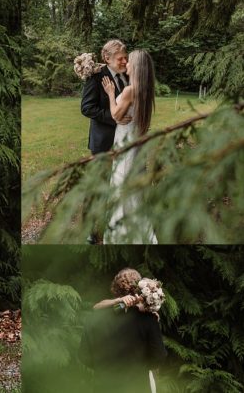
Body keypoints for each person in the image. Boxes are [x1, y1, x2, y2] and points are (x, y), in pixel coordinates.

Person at [100, 50, 157, 244]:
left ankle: (121, 233)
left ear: (137, 67)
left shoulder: (129, 90)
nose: (127, 64)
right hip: (137, 144)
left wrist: (110, 93)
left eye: (130, 61)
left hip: (125, 143)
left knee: (121, 187)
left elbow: (116, 115)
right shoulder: (146, 90)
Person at [80, 268, 167, 393]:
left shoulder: (94, 318)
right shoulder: (149, 319)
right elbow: (159, 356)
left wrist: (103, 369)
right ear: (139, 289)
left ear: (115, 288)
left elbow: (84, 356)